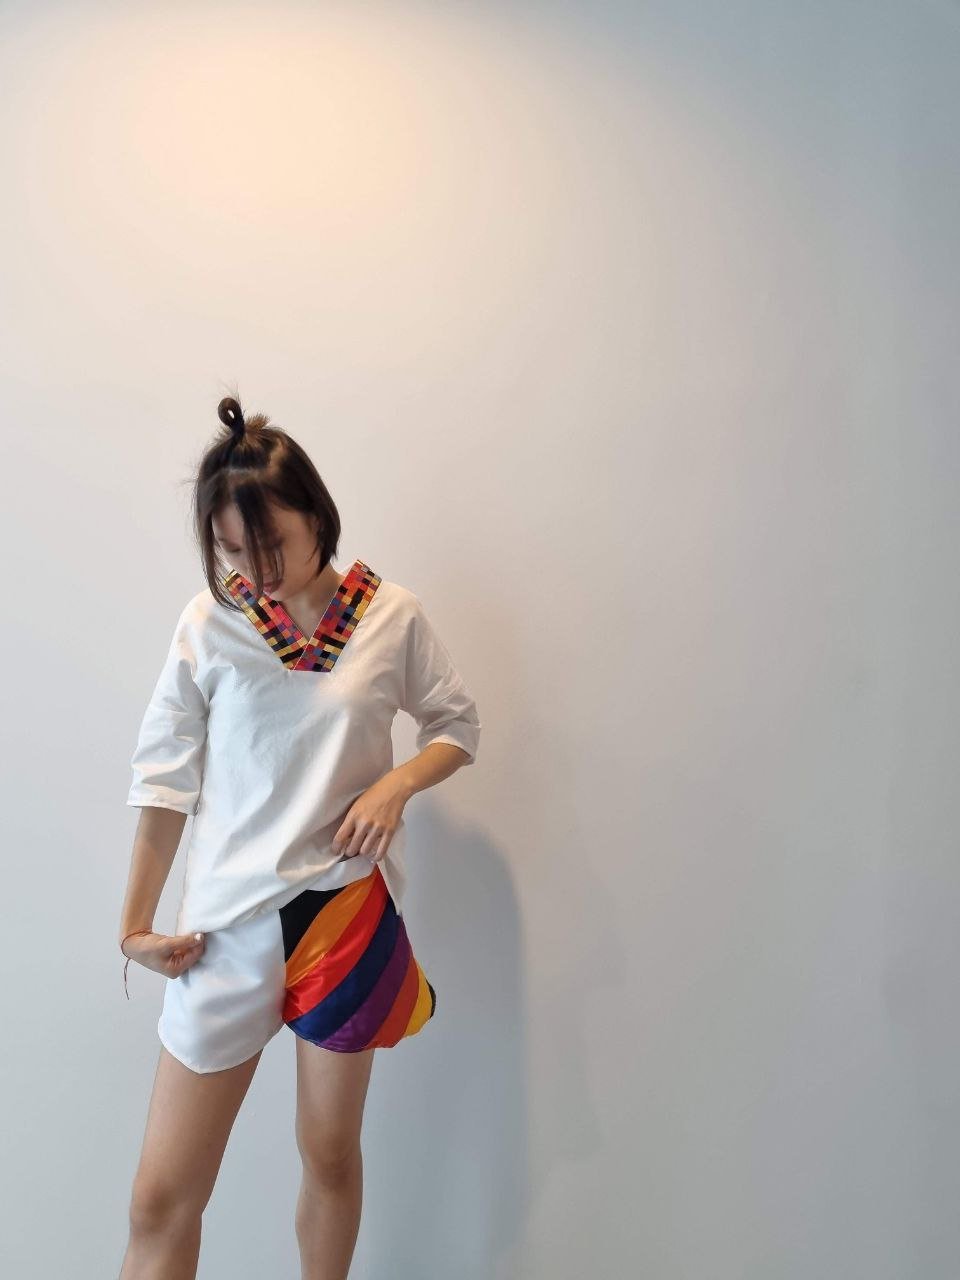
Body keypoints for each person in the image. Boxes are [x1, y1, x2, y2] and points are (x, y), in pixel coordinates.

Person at [117, 394, 481, 1279]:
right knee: (161, 1199)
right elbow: (164, 778)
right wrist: (134, 926)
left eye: (271, 543)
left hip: (345, 917)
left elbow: (456, 726)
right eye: (232, 551)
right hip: (223, 929)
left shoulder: (391, 616)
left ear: (317, 515)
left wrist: (395, 785)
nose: (256, 569)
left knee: (329, 1156)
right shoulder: (210, 623)